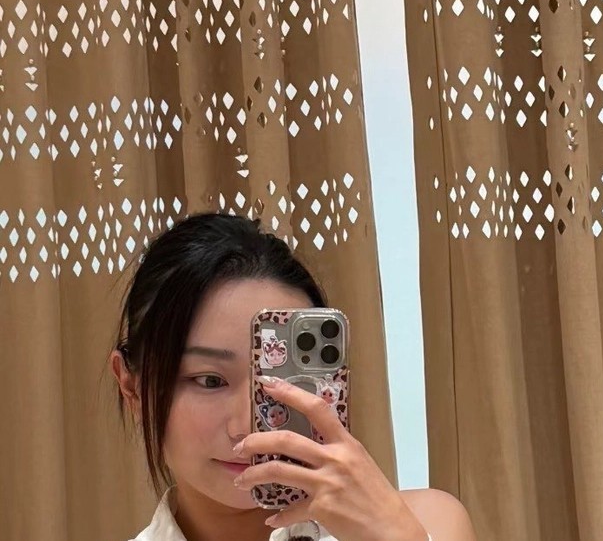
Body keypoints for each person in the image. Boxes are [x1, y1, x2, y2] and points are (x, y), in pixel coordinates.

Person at [110, 212, 474, 541]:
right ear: (131, 387)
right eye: (210, 381)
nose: (248, 427)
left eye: (280, 381)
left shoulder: (428, 524)